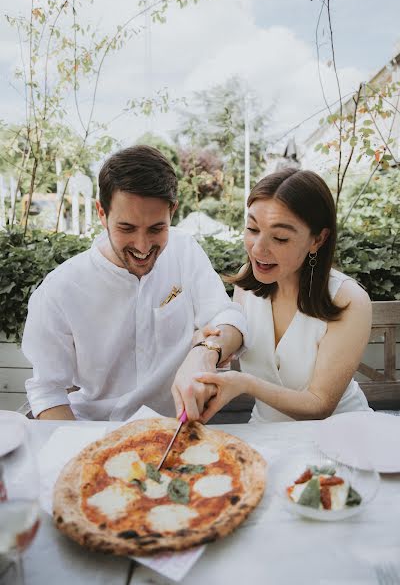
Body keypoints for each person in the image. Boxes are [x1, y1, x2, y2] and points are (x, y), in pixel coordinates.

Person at [22, 145, 246, 422]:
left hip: (176, 428)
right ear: (102, 214)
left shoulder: (184, 250)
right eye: (126, 228)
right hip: (94, 430)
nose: (143, 246)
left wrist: (205, 353)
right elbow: (48, 391)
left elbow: (227, 317)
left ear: (172, 212)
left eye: (156, 228)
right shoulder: (59, 290)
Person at [196, 168, 372, 423]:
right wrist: (207, 348)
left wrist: (246, 383)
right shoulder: (248, 281)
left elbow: (320, 403)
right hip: (266, 434)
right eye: (253, 228)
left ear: (318, 240)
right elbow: (233, 337)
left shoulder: (348, 299)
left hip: (340, 435)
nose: (258, 248)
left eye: (279, 237)